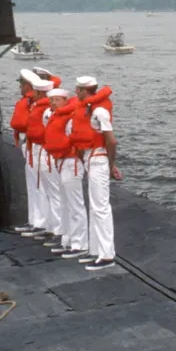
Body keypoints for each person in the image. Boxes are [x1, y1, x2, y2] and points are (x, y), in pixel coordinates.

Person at [71, 76, 120, 270]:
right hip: (91, 158)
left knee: (101, 208)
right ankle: (95, 250)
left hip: (98, 159)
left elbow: (111, 141)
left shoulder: (99, 111)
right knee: (95, 207)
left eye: (78, 89)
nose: (75, 92)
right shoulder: (89, 108)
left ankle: (107, 255)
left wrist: (110, 165)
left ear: (85, 90)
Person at [39, 88, 81, 256]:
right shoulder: (53, 117)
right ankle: (67, 240)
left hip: (71, 162)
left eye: (56, 100)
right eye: (51, 100)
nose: (52, 103)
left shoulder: (70, 119)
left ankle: (78, 245)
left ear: (65, 100)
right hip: (60, 161)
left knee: (74, 205)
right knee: (64, 203)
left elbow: (74, 139)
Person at [9, 69, 43, 235]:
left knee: (37, 186)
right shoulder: (29, 102)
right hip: (28, 145)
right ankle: (35, 221)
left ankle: (41, 223)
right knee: (33, 186)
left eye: (21, 84)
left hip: (34, 147)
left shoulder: (33, 104)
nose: (20, 88)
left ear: (28, 85)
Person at [23, 72, 56, 237]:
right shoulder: (38, 106)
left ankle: (47, 226)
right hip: (35, 149)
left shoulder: (46, 110)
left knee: (45, 189)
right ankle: (37, 221)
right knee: (36, 187)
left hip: (43, 151)